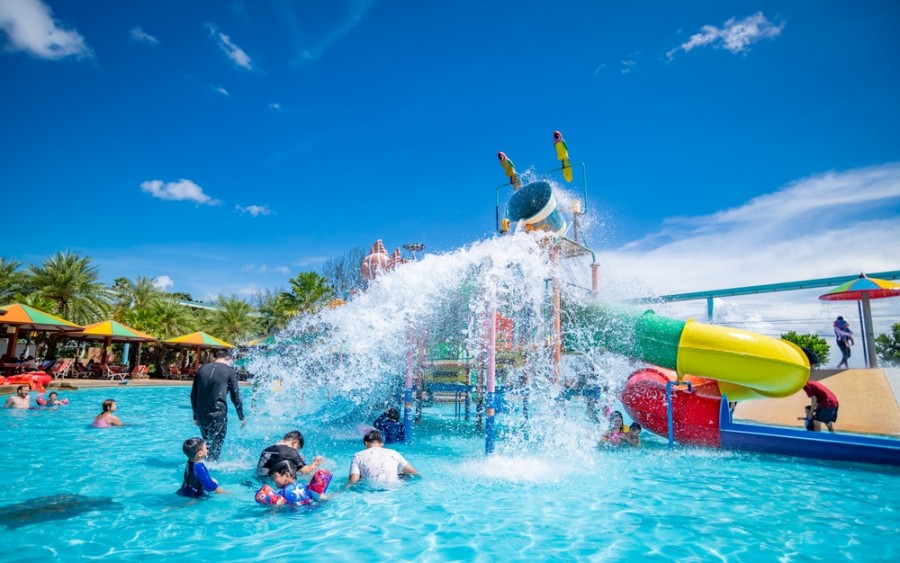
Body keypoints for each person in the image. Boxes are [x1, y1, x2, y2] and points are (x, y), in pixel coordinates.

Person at [190, 349, 246, 462]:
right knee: (215, 449)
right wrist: (241, 417)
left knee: (206, 446)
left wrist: (195, 416)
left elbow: (193, 395)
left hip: (201, 414)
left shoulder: (202, 369)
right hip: (217, 414)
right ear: (228, 359)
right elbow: (235, 396)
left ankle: (201, 467)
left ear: (213, 358)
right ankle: (209, 473)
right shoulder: (229, 371)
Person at [347, 429, 418, 485]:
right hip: (392, 489)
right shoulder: (394, 453)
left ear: (366, 443)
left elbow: (353, 481)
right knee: (404, 475)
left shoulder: (358, 456)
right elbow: (414, 472)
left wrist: (342, 491)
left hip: (370, 490)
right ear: (382, 444)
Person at [255, 460, 331, 507]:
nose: (274, 480)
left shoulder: (281, 494)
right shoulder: (307, 487)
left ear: (287, 475)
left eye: (275, 476)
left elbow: (277, 511)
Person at [256, 430, 324, 480]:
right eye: (297, 449)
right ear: (295, 442)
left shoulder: (266, 450)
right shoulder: (291, 451)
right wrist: (316, 462)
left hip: (258, 481)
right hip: (273, 486)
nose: (296, 451)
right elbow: (307, 471)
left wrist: (295, 464)